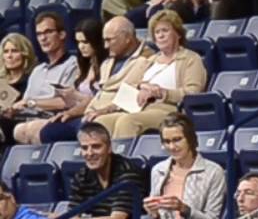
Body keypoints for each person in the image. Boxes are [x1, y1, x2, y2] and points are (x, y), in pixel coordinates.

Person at [93, 10, 207, 140]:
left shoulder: (190, 58)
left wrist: (161, 93)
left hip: (168, 110)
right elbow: (132, 89)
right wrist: (106, 110)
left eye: (165, 31)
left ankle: (122, 154)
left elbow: (193, 92)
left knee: (128, 121)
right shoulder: (150, 60)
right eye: (157, 32)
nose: (160, 35)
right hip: (139, 107)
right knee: (101, 123)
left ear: (178, 34)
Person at [40, 16, 152, 146]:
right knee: (48, 131)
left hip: (109, 114)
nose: (105, 46)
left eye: (109, 40)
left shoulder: (146, 60)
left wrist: (103, 111)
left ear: (127, 38)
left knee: (91, 129)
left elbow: (133, 96)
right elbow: (97, 96)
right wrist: (71, 113)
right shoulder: (108, 61)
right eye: (104, 40)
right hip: (90, 113)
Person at [141, 112, 227, 219]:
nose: (172, 147)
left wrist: (184, 209)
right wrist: (153, 213)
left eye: (177, 140)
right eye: (167, 141)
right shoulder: (158, 170)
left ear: (190, 139)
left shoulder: (213, 172)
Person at [14, 18, 106, 145]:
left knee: (42, 131)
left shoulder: (100, 65)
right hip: (70, 113)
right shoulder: (85, 66)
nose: (81, 46)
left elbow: (95, 98)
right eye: (78, 42)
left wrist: (69, 110)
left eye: (85, 42)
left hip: (85, 114)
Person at [0, 12, 77, 144]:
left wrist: (32, 103)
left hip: (52, 119)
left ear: (62, 34)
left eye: (48, 32)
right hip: (24, 119)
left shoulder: (72, 64)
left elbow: (67, 102)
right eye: (39, 34)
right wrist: (12, 110)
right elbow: (23, 105)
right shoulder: (38, 70)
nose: (43, 38)